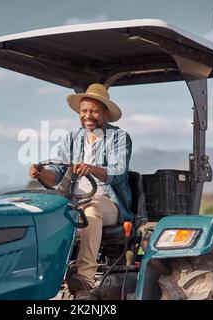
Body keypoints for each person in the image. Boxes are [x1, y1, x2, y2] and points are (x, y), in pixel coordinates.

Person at [29, 83, 132, 299]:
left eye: (94, 111)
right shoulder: (72, 138)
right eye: (84, 111)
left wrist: (91, 168)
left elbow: (118, 171)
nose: (88, 115)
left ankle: (85, 277)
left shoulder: (119, 138)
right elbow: (56, 173)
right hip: (74, 200)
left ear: (105, 113)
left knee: (91, 212)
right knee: (42, 214)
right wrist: (40, 174)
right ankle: (45, 276)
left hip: (107, 201)